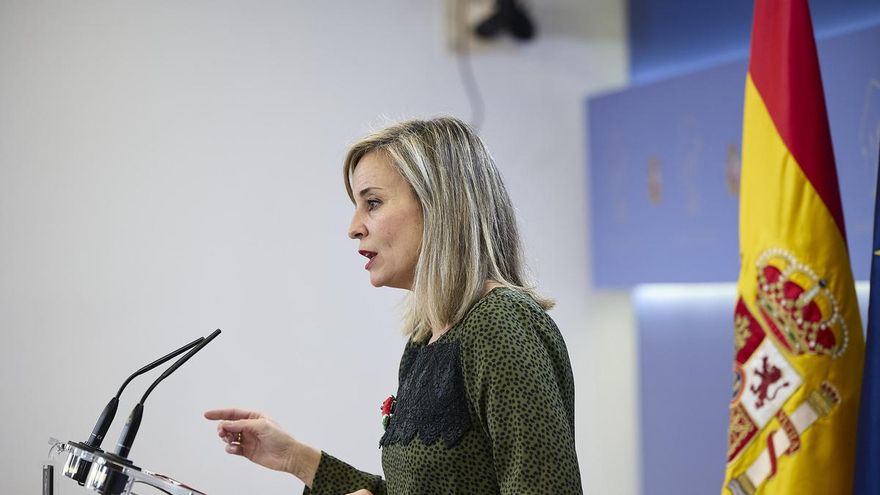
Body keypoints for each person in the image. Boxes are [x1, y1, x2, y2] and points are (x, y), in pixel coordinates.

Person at [205, 117, 582, 494]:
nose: (354, 226)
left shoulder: (500, 324)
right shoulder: (424, 342)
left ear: (440, 205)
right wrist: (295, 458)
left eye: (373, 203)